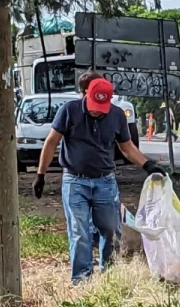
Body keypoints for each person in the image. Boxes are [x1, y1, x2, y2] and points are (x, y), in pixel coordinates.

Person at [32, 72, 166, 284]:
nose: (97, 111)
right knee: (80, 232)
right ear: (86, 93)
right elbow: (51, 142)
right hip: (75, 181)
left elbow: (127, 147)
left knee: (111, 229)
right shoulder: (69, 111)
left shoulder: (117, 115)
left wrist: (148, 165)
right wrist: (41, 174)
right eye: (94, 104)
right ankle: (81, 280)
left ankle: (109, 275)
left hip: (105, 181)